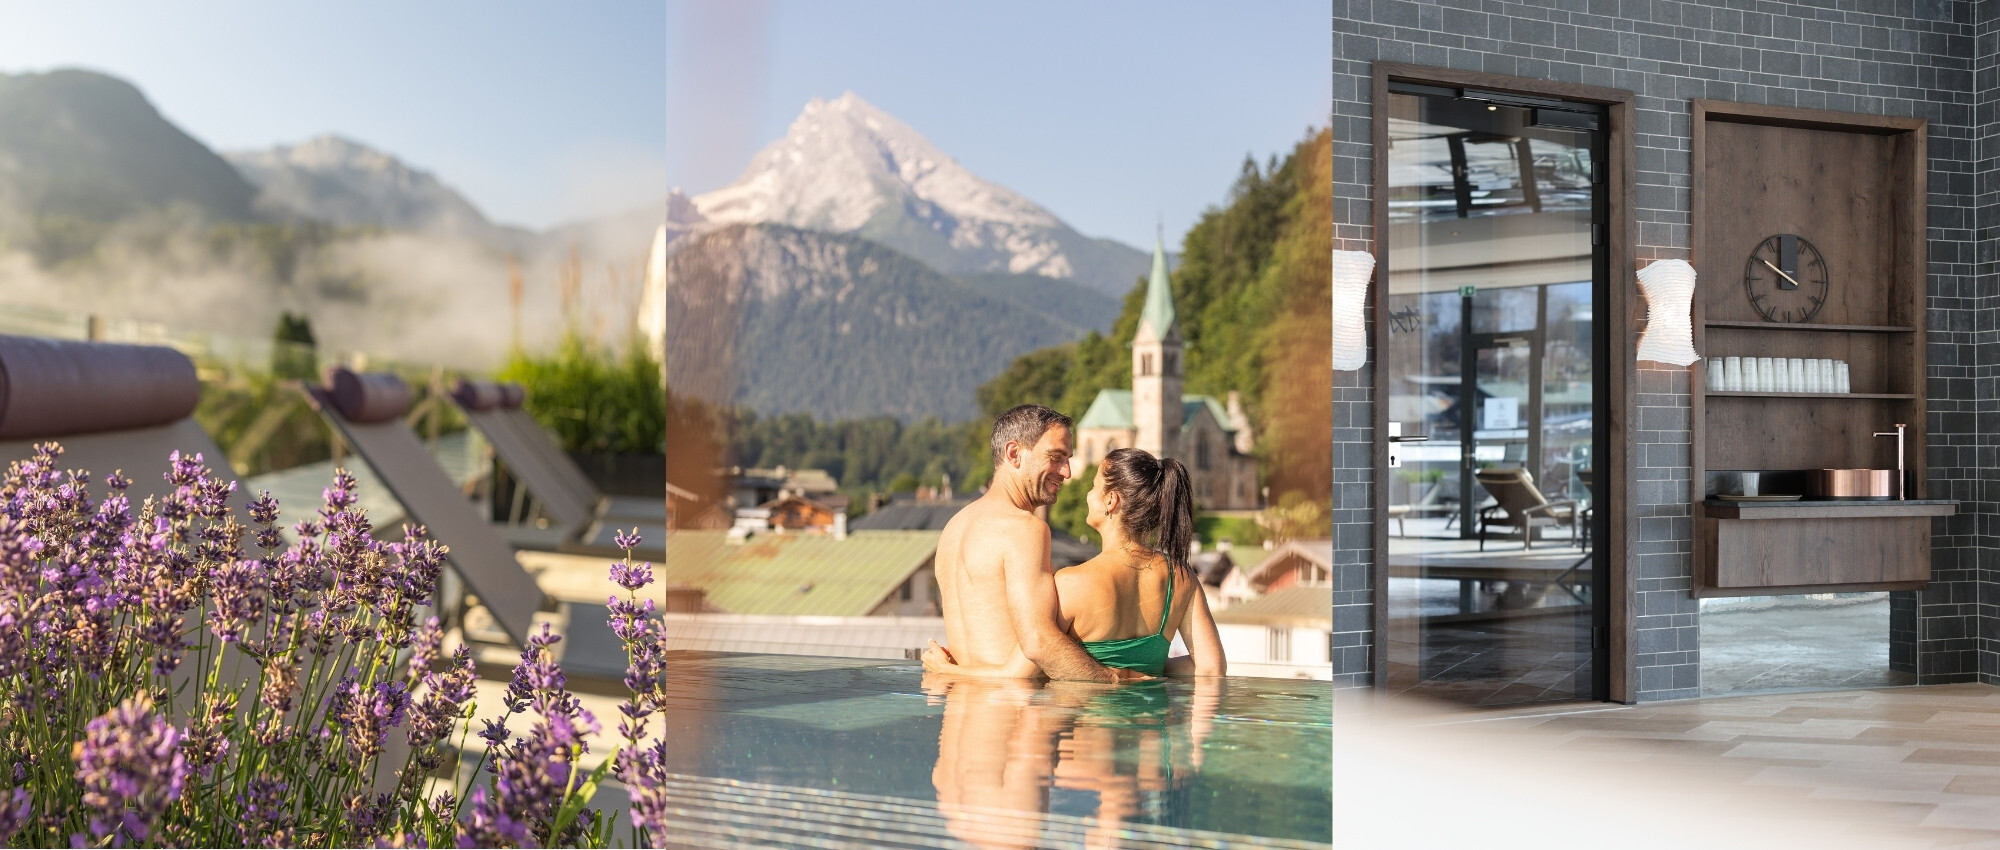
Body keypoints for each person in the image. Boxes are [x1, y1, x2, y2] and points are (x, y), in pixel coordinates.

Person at [929, 440, 1225, 679]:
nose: (1087, 495)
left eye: (1094, 487)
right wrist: (1146, 670)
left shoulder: (1070, 585)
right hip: (1152, 744)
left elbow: (1020, 675)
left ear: (1111, 501)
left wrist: (949, 671)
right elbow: (1211, 669)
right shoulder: (1181, 579)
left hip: (1087, 750)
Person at [921, 404, 1141, 682]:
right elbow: (1038, 642)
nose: (1067, 472)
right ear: (1014, 454)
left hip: (962, 709)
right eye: (1056, 457)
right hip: (1010, 717)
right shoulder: (1025, 529)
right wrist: (1114, 681)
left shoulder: (953, 528)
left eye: (1068, 459)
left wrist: (951, 672)